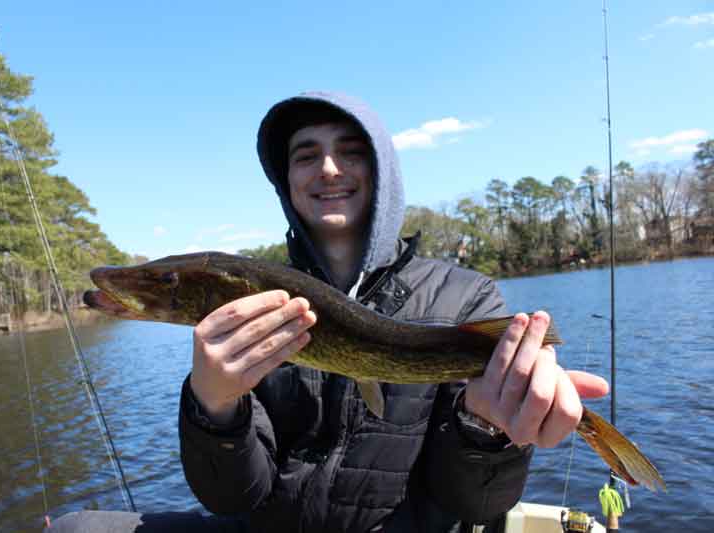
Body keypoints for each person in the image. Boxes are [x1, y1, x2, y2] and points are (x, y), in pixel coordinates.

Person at [50, 92, 608, 533]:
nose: (329, 168)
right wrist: (214, 407)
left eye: (350, 150)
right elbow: (232, 498)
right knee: (73, 528)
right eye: (306, 154)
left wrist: (486, 429)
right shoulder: (252, 314)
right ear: (285, 179)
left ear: (381, 172)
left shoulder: (465, 297)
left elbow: (473, 502)